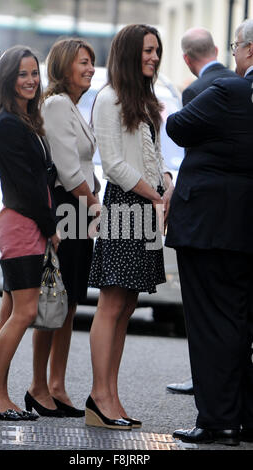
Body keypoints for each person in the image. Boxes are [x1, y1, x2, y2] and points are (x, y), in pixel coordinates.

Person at [165, 18, 253, 446]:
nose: (233, 54)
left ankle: (218, 421)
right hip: (245, 224)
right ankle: (245, 417)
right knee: (240, 321)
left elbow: (177, 127)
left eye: (237, 46)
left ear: (249, 50)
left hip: (208, 224)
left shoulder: (227, 90)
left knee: (209, 323)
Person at [86, 24, 174, 430]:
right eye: (147, 51)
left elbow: (152, 155)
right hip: (124, 205)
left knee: (128, 305)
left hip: (145, 207)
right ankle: (99, 397)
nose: (154, 57)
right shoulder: (109, 98)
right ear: (128, 53)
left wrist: (167, 183)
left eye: (157, 50)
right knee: (111, 303)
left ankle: (112, 396)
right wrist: (154, 195)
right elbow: (113, 166)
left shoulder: (144, 98)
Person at [0, 45, 60, 421]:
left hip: (24, 223)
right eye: (22, 74)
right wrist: (50, 228)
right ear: (8, 80)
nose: (30, 80)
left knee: (11, 310)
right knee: (25, 312)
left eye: (34, 74)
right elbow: (26, 188)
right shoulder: (9, 124)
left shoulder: (26, 120)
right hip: (23, 223)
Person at [25, 38, 100, 417]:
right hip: (71, 207)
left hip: (80, 209)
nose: (89, 68)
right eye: (83, 62)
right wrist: (96, 205)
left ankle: (57, 385)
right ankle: (39, 386)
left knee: (68, 304)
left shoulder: (72, 105)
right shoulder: (56, 104)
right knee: (55, 301)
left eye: (91, 63)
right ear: (64, 65)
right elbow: (69, 172)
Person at [166, 27, 237, 396]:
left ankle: (206, 382)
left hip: (206, 213)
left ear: (186, 59)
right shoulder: (239, 81)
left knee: (205, 309)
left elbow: (187, 144)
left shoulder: (198, 90)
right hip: (236, 216)